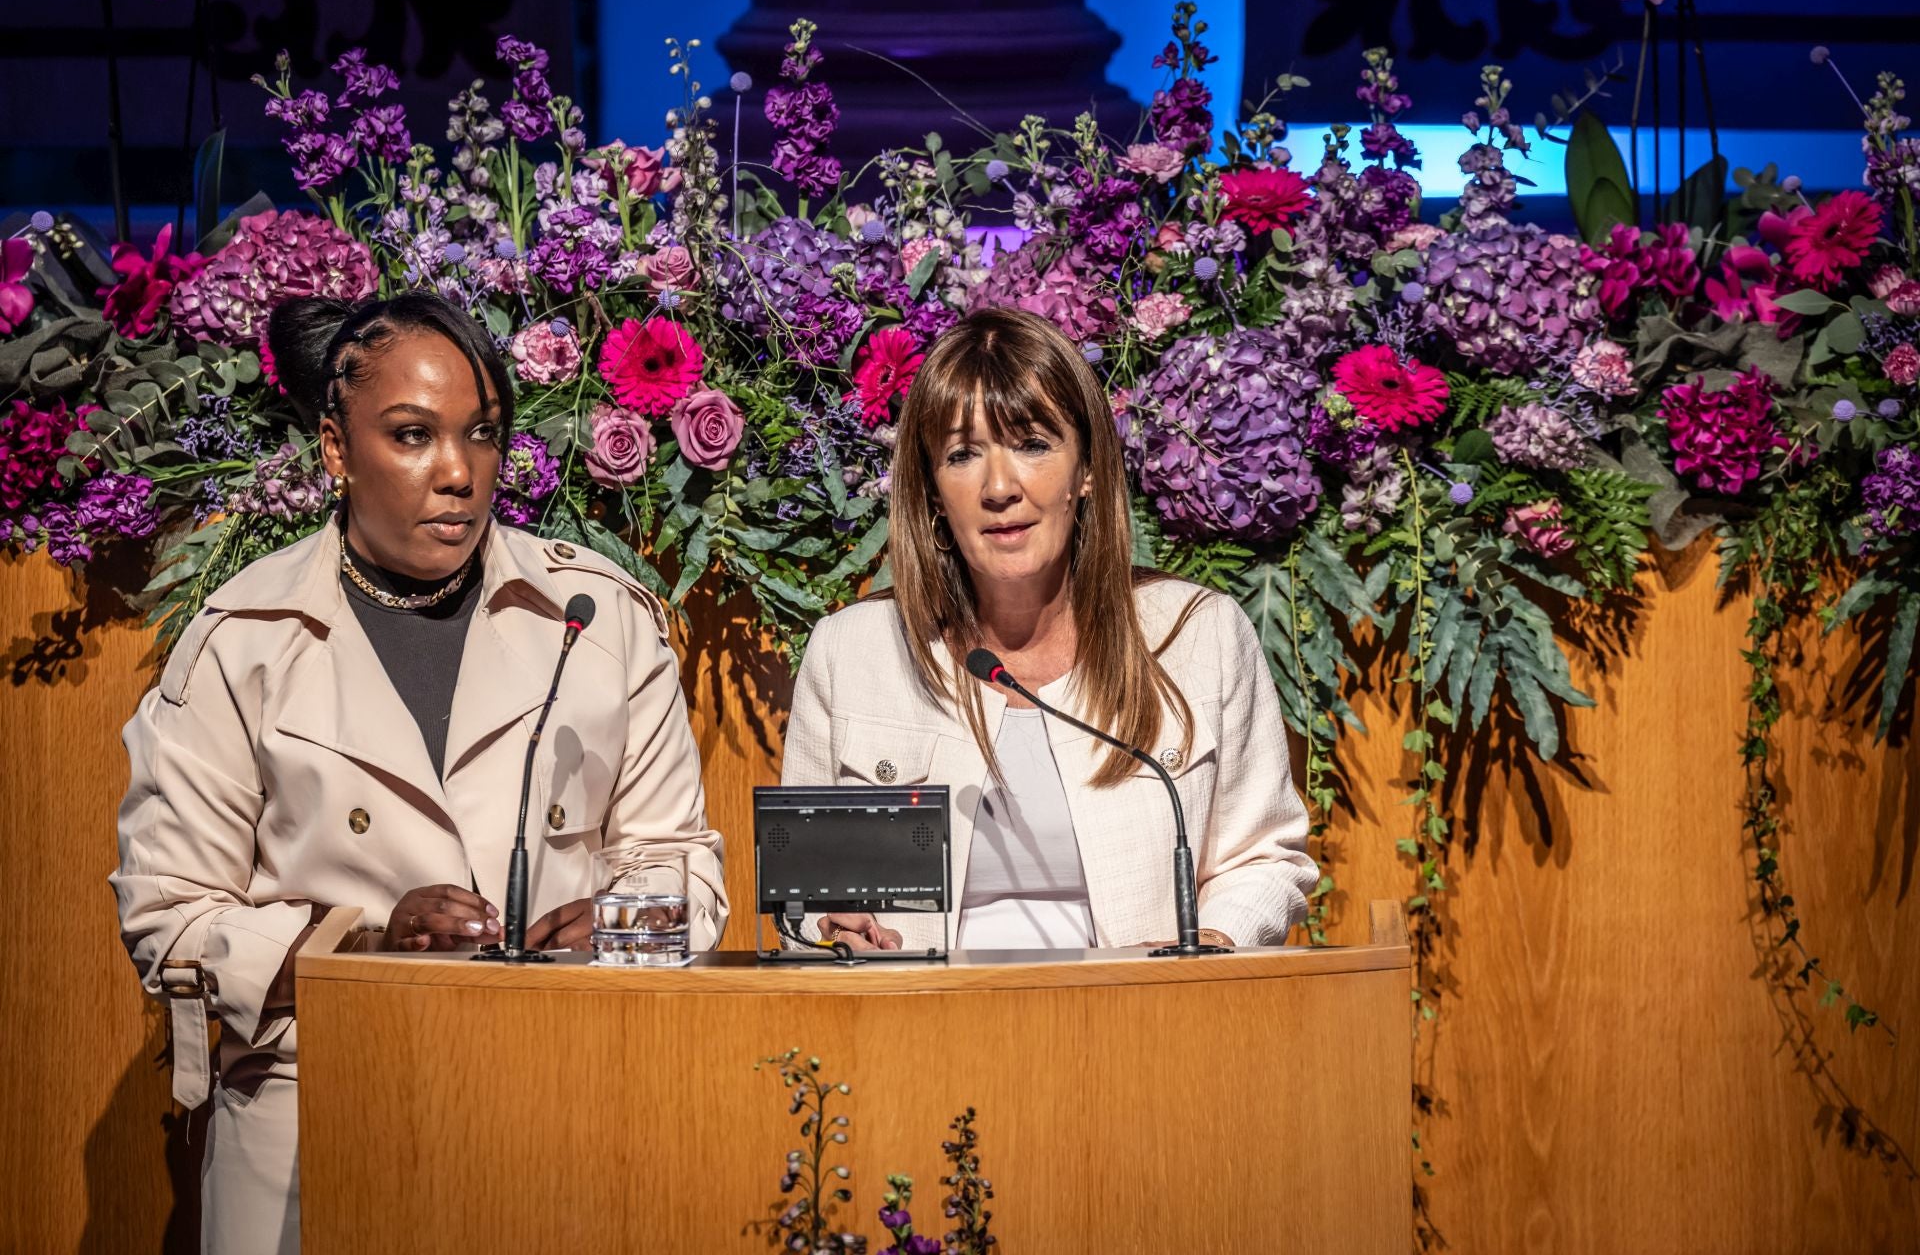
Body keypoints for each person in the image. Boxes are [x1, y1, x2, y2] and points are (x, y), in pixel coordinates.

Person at [111, 292, 725, 1253]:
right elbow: (168, 919)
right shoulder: (239, 643)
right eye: (411, 434)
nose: (456, 472)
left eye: (481, 435)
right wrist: (356, 945)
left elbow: (682, 864)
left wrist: (622, 924)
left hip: (562, 1102)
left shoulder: (597, 620)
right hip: (312, 1122)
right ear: (334, 447)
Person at [781, 306, 1317, 952]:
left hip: (1140, 1023)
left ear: (1086, 469)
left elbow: (1265, 858)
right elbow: (812, 899)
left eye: (1033, 444)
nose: (999, 486)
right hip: (918, 1029)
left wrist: (1210, 943)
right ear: (930, 491)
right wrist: (833, 927)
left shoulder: (1199, 635)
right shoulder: (853, 651)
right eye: (962, 454)